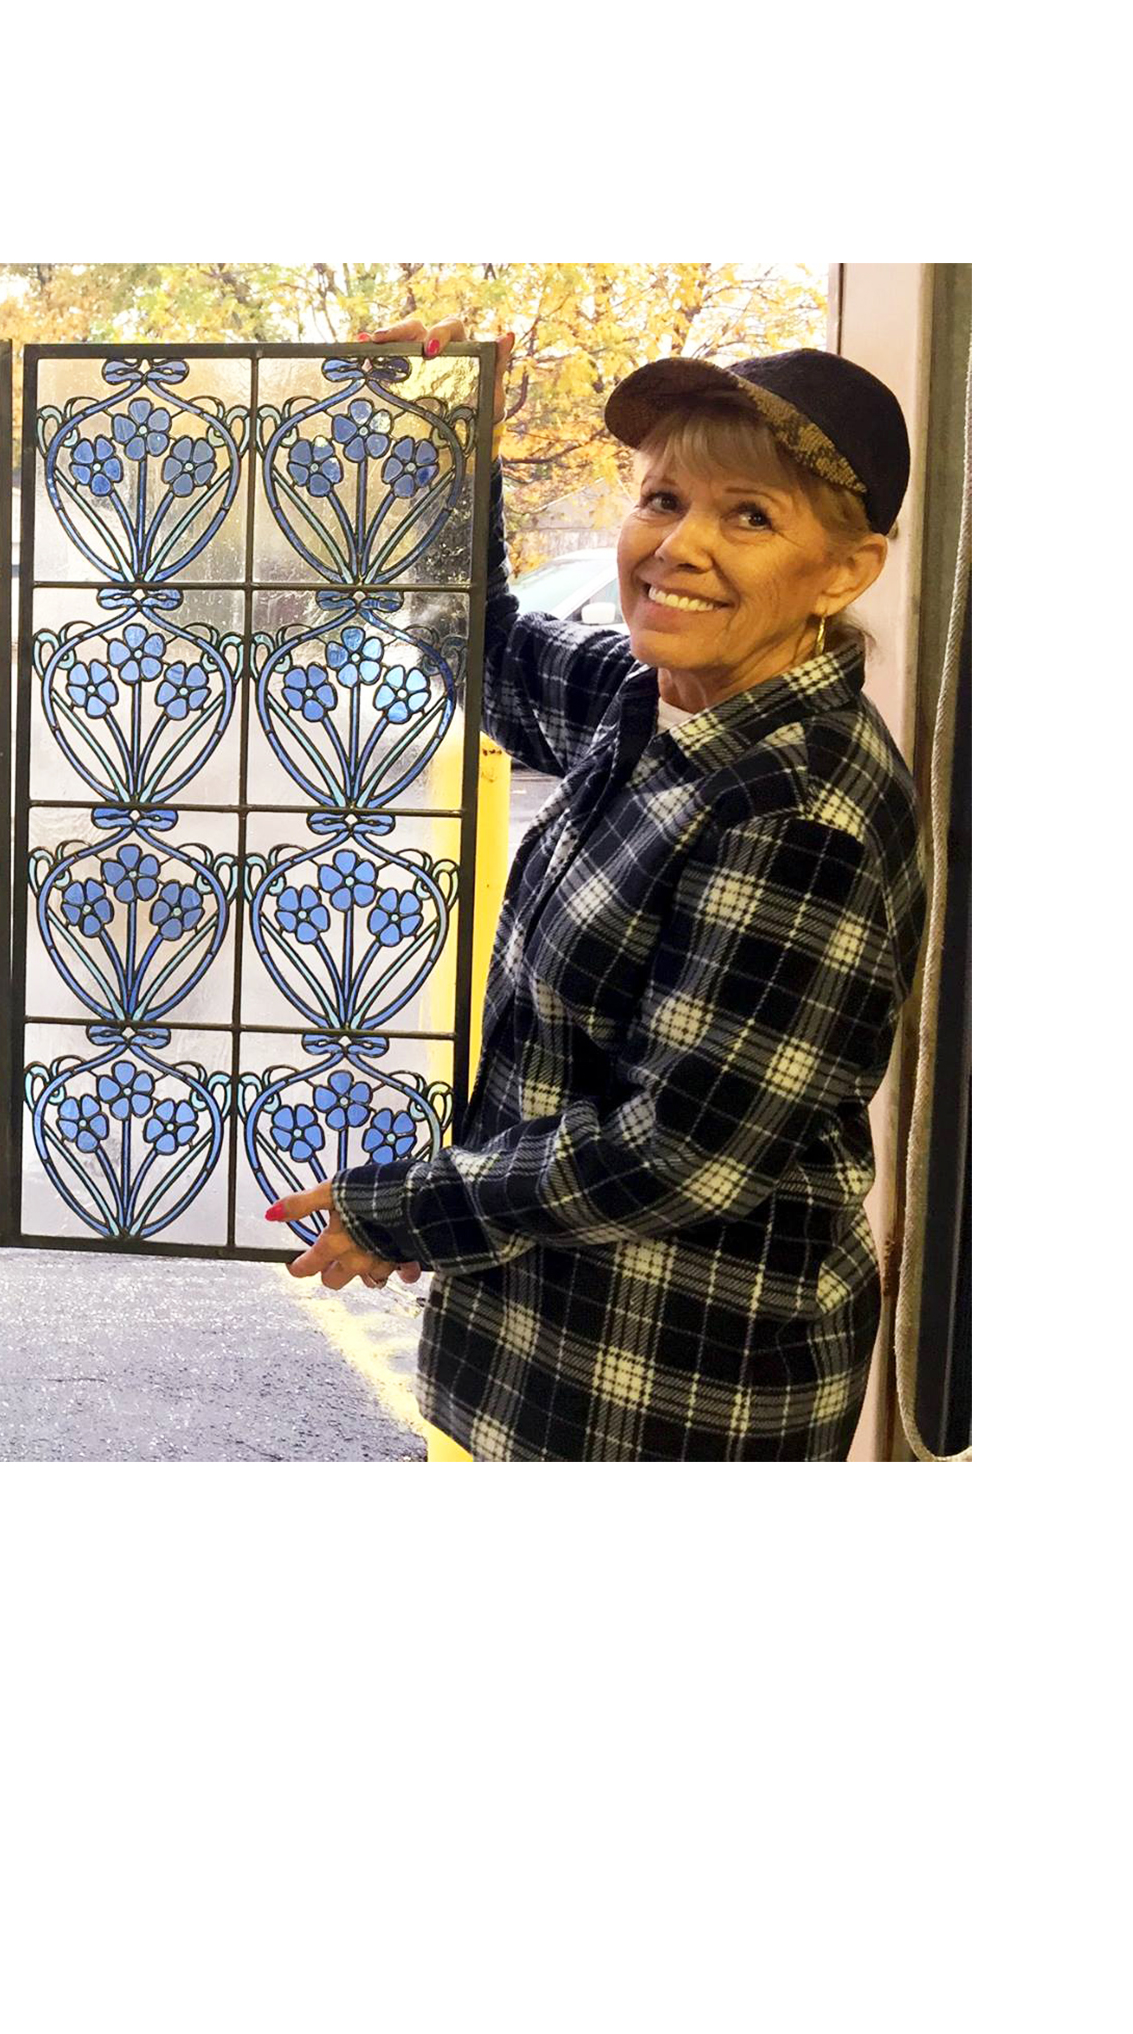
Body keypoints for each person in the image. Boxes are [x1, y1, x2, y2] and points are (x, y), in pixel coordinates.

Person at [270, 323, 925, 1461]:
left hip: (673, 1400)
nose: (680, 545)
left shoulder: (797, 808)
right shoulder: (652, 698)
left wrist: (404, 1207)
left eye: (749, 516)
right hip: (543, 1358)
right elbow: (478, 646)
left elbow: (676, 1149)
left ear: (846, 568)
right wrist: (445, 436)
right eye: (663, 499)